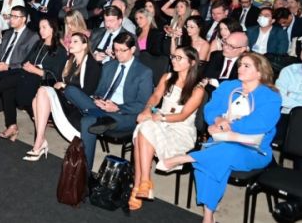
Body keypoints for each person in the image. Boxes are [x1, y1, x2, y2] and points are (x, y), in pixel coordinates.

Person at [163, 53, 281, 223]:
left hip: (253, 149)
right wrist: (218, 120)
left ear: (260, 72)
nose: (240, 68)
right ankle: (208, 216)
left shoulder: (270, 96)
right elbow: (211, 108)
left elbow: (261, 123)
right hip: (221, 141)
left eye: (246, 66)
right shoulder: (229, 86)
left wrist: (228, 125)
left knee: (220, 154)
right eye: (240, 64)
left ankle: (187, 158)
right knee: (211, 161)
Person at [63, 32, 154, 172]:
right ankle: (102, 116)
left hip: (124, 114)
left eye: (123, 50)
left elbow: (142, 104)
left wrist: (117, 108)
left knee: (87, 121)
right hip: (103, 108)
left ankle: (84, 174)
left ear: (133, 49)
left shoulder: (144, 72)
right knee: (70, 90)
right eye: (116, 50)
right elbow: (99, 91)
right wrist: (97, 99)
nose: (118, 54)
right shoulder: (109, 66)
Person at [128, 46, 205, 211]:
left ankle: (138, 185)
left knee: (143, 129)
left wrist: (161, 117)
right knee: (144, 127)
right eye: (173, 57)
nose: (174, 61)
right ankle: (144, 182)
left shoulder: (197, 89)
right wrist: (147, 109)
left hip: (181, 129)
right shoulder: (167, 77)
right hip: (159, 122)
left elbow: (183, 115)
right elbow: (156, 96)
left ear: (192, 62)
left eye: (179, 58)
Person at [0, 18, 61, 142]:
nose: (41, 31)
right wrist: (27, 67)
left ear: (53, 29)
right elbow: (25, 61)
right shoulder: (39, 45)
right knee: (9, 83)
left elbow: (55, 76)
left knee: (12, 81)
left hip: (43, 82)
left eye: (44, 27)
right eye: (40, 27)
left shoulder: (60, 50)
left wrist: (35, 70)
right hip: (26, 76)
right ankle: (11, 125)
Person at [27, 32, 102, 158]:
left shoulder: (91, 64)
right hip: (66, 98)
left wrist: (64, 86)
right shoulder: (70, 61)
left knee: (42, 92)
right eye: (70, 41)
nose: (71, 44)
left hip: (79, 104)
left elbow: (88, 91)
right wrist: (61, 85)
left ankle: (39, 142)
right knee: (37, 99)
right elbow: (59, 80)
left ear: (84, 45)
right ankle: (40, 140)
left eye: (75, 42)